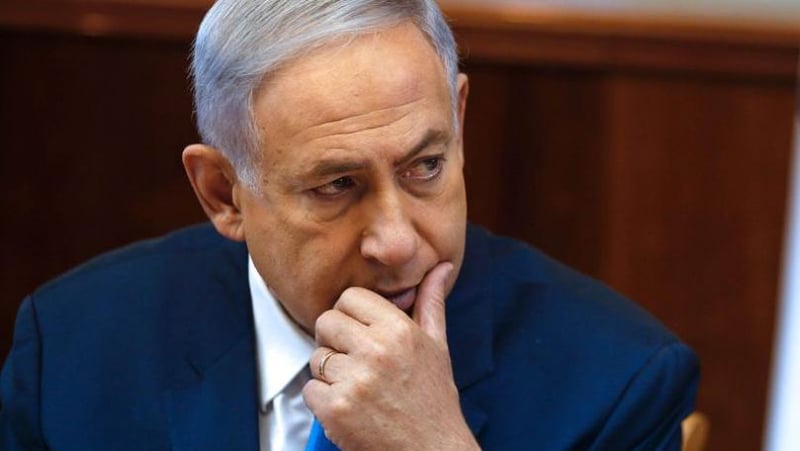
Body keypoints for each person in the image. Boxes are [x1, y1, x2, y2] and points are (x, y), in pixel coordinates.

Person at [0, 0, 699, 450]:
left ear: (459, 123)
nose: (397, 241)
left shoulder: (617, 382)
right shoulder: (73, 348)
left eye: (425, 165)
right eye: (336, 186)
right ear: (223, 194)